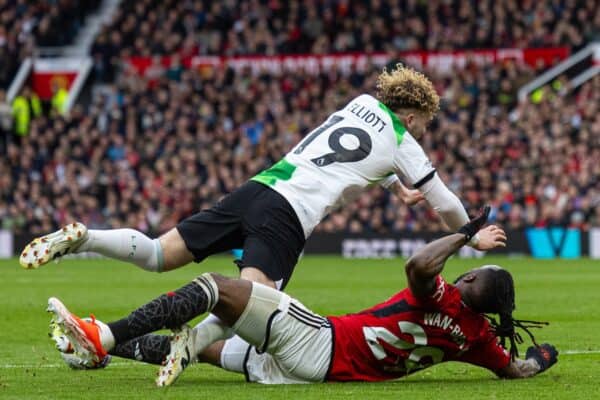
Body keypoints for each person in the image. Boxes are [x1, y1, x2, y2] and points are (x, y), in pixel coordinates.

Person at [22, 64, 504, 370]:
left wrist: (394, 185)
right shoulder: (405, 141)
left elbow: (350, 155)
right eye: (423, 124)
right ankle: (136, 339)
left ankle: (86, 239)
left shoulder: (359, 105)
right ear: (416, 114)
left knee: (157, 253)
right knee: (251, 306)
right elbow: (444, 202)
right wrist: (473, 233)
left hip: (259, 188)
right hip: (288, 216)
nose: (421, 132)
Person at [47, 208, 557, 386]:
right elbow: (516, 371)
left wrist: (465, 233)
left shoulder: (442, 298)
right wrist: (542, 358)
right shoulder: (478, 338)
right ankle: (103, 354)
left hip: (320, 341)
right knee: (202, 346)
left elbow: (418, 265)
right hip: (311, 371)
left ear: (468, 285)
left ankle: (104, 334)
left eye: (470, 272)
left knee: (219, 291)